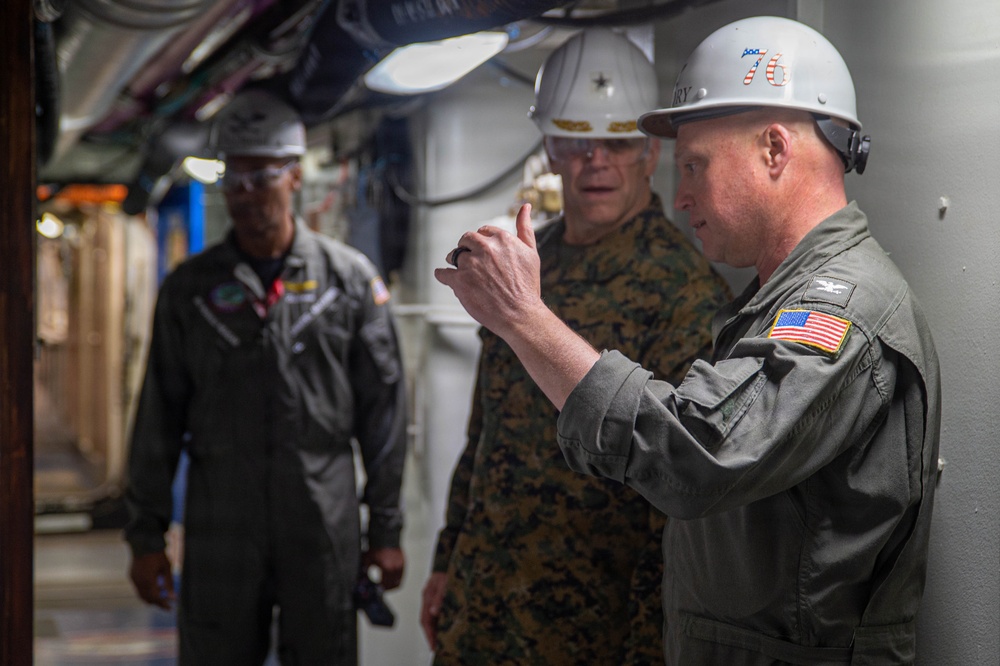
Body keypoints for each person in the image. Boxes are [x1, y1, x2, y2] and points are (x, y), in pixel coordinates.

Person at [435, 16, 940, 665]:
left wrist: (525, 319)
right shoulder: (772, 301)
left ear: (775, 151)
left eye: (695, 165)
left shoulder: (844, 311)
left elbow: (697, 454)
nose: (681, 196)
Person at [420, 28, 731, 665]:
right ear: (549, 147)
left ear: (649, 151)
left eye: (617, 143)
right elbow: (486, 431)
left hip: (591, 627)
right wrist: (450, 557)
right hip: (485, 602)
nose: (596, 162)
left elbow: (673, 492)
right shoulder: (528, 265)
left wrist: (651, 645)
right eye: (576, 141)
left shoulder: (683, 289)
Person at [123, 88, 407, 665]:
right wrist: (146, 536)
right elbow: (158, 417)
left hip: (321, 524)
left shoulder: (347, 281)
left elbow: (384, 414)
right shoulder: (191, 290)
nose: (246, 195)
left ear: (295, 177)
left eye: (262, 177)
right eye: (234, 179)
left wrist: (385, 527)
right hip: (221, 526)